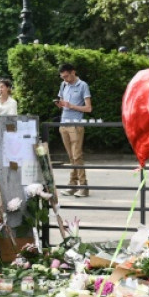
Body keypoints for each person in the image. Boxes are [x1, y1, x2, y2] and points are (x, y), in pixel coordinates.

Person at [56, 63, 92, 197]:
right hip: (63, 123)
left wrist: (71, 106)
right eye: (62, 77)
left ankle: (83, 186)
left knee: (77, 156)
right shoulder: (63, 85)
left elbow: (88, 108)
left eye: (66, 76)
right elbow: (61, 102)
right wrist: (60, 104)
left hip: (75, 125)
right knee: (71, 157)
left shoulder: (83, 85)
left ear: (73, 72)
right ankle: (73, 184)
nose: (65, 79)